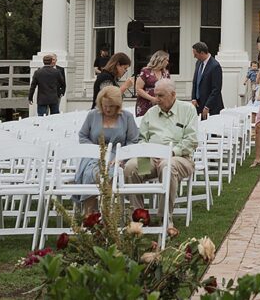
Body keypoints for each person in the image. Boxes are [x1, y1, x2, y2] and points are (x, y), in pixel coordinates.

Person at [123, 78, 197, 237]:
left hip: (179, 157)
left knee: (167, 167)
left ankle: (165, 218)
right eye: (155, 95)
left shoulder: (188, 110)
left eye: (161, 96)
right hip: (150, 158)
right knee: (130, 167)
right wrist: (147, 151)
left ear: (173, 94)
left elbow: (191, 140)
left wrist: (171, 152)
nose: (157, 99)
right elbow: (142, 138)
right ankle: (138, 217)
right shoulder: (151, 113)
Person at [74, 85, 139, 214]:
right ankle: (90, 215)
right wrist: (95, 150)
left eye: (111, 106)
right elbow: (82, 136)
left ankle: (108, 215)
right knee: (90, 174)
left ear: (117, 105)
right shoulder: (93, 115)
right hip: (94, 155)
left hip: (118, 156)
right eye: (105, 106)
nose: (108, 109)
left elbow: (133, 140)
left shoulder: (127, 117)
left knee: (110, 175)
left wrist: (121, 157)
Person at [190, 41, 223, 120]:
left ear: (202, 53)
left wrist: (207, 106)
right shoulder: (198, 63)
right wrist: (193, 98)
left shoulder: (215, 66)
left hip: (211, 108)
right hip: (198, 105)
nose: (194, 56)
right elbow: (195, 82)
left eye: (195, 54)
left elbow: (216, 89)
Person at [135, 50, 170, 117]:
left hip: (161, 104)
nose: (168, 63)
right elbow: (138, 89)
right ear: (160, 60)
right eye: (167, 60)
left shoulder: (166, 73)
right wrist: (152, 99)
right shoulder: (145, 71)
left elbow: (169, 88)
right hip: (145, 103)